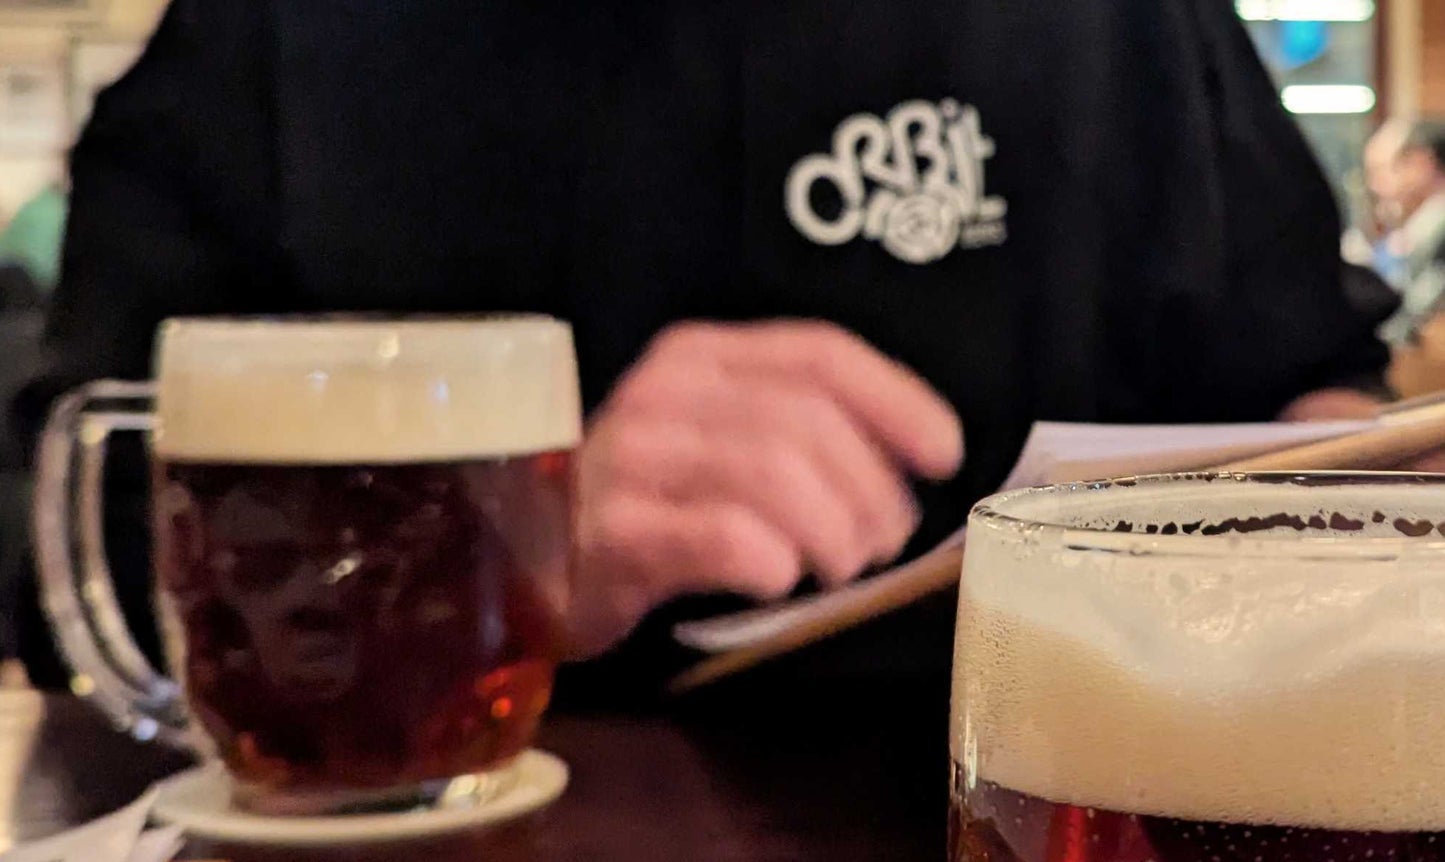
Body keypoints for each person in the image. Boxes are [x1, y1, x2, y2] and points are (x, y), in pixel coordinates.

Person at [20, 0, 1397, 690]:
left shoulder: (1116, 25)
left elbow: (1310, 391)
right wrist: (479, 552)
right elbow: (54, 511)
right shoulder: (286, 39)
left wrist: (1347, 536)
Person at [1362, 119, 1445, 348]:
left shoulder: (1436, 229)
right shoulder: (1414, 230)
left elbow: (1406, 323)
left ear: (1421, 163)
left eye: (1380, 170)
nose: (1375, 186)